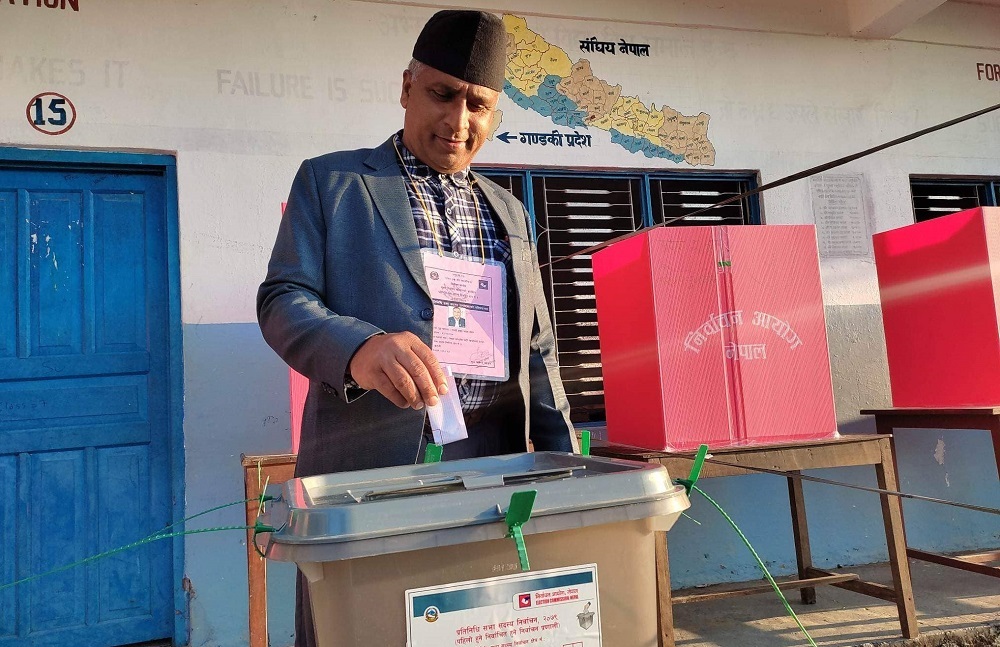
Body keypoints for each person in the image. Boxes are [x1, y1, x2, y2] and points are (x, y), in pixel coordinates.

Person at [256, 9, 576, 646]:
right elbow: (282, 299)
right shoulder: (334, 183)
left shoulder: (508, 210)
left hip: (490, 477)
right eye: (442, 95)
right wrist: (359, 349)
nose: (459, 122)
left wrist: (566, 475)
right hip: (367, 471)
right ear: (407, 88)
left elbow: (537, 352)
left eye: (479, 105)